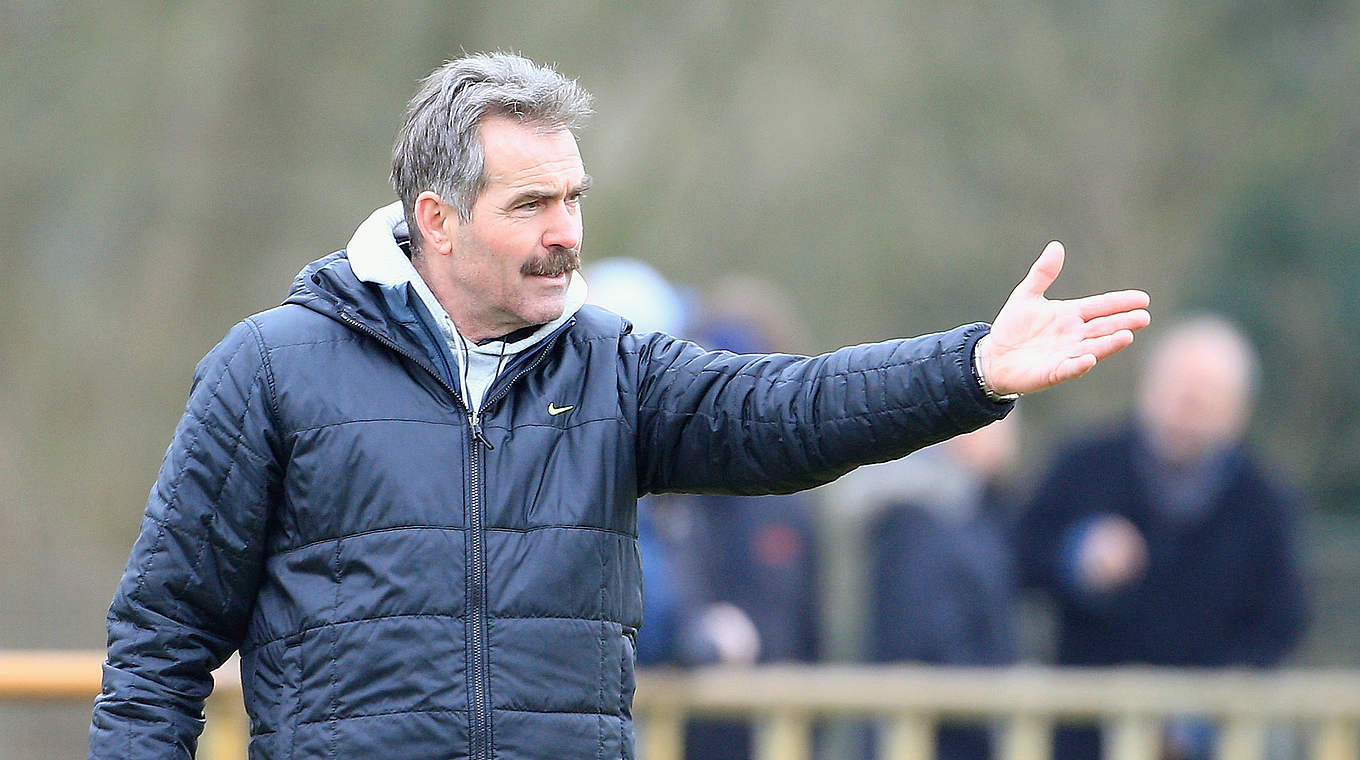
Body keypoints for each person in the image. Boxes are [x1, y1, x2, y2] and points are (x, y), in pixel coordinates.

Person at [88, 52, 1150, 760]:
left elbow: (792, 410)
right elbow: (162, 639)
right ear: (436, 220)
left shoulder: (617, 369)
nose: (568, 232)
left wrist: (971, 369)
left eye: (575, 199)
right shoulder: (269, 369)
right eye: (533, 204)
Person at [1016, 314, 1308, 760]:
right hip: (1083, 732)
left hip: (1212, 738)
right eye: (1175, 391)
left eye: (1202, 400)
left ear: (1238, 411)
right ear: (1147, 387)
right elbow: (1017, 553)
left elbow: (1282, 618)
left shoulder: (1265, 500)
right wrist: (1076, 555)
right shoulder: (1084, 466)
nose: (1183, 412)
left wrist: (1202, 708)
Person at [866, 415, 1023, 760]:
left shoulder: (983, 512)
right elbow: (922, 639)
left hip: (964, 726)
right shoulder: (919, 521)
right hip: (936, 733)